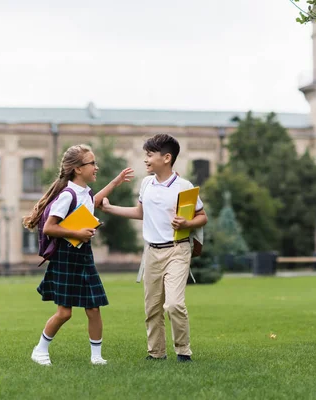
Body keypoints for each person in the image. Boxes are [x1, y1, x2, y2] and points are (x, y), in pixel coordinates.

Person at [22, 144, 133, 366]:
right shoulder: (67, 195)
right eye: (92, 163)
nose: (96, 167)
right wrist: (76, 232)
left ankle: (96, 357)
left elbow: (93, 202)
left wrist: (116, 182)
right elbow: (49, 228)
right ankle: (40, 350)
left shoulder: (85, 193)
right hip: (66, 256)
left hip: (84, 256)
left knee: (93, 308)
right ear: (78, 169)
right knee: (65, 313)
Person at [100, 134, 207, 362]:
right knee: (152, 308)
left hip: (177, 250)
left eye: (149, 155)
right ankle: (156, 353)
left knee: (174, 304)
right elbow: (140, 213)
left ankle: (183, 352)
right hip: (151, 252)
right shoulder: (146, 183)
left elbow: (202, 216)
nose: (145, 160)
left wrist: (187, 223)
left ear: (166, 158)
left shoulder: (184, 187)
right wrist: (110, 209)